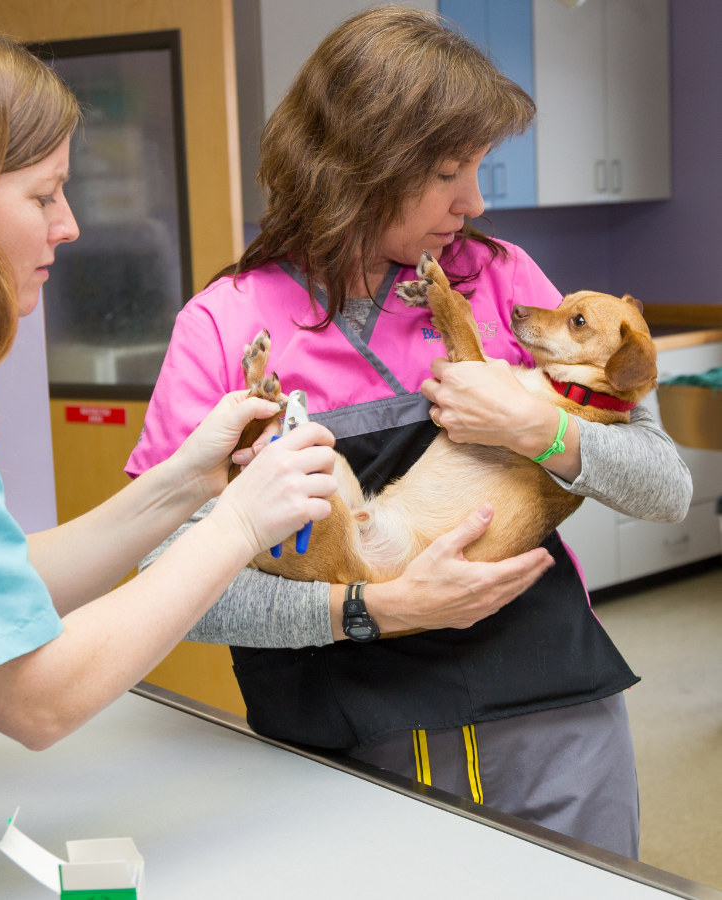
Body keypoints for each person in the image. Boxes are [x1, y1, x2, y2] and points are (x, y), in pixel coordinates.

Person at [125, 6, 692, 859]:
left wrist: (544, 432)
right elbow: (158, 582)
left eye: (478, 168)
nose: (472, 200)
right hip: (344, 751)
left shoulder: (504, 285)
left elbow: (665, 487)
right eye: (444, 172)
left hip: (547, 721)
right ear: (354, 165)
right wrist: (367, 608)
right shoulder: (226, 324)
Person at [0, 17, 340, 898]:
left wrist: (185, 484)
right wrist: (237, 524)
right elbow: (34, 695)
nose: (72, 225)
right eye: (43, 196)